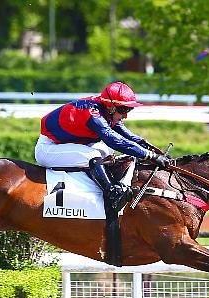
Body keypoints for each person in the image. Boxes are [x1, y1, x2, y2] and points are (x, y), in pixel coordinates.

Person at [35, 81, 170, 212]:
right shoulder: (93, 114)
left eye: (129, 109)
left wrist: (150, 148)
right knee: (93, 156)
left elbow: (126, 134)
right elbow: (115, 141)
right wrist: (150, 156)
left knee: (106, 152)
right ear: (111, 107)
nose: (125, 115)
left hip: (68, 144)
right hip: (49, 148)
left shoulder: (106, 110)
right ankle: (113, 194)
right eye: (123, 110)